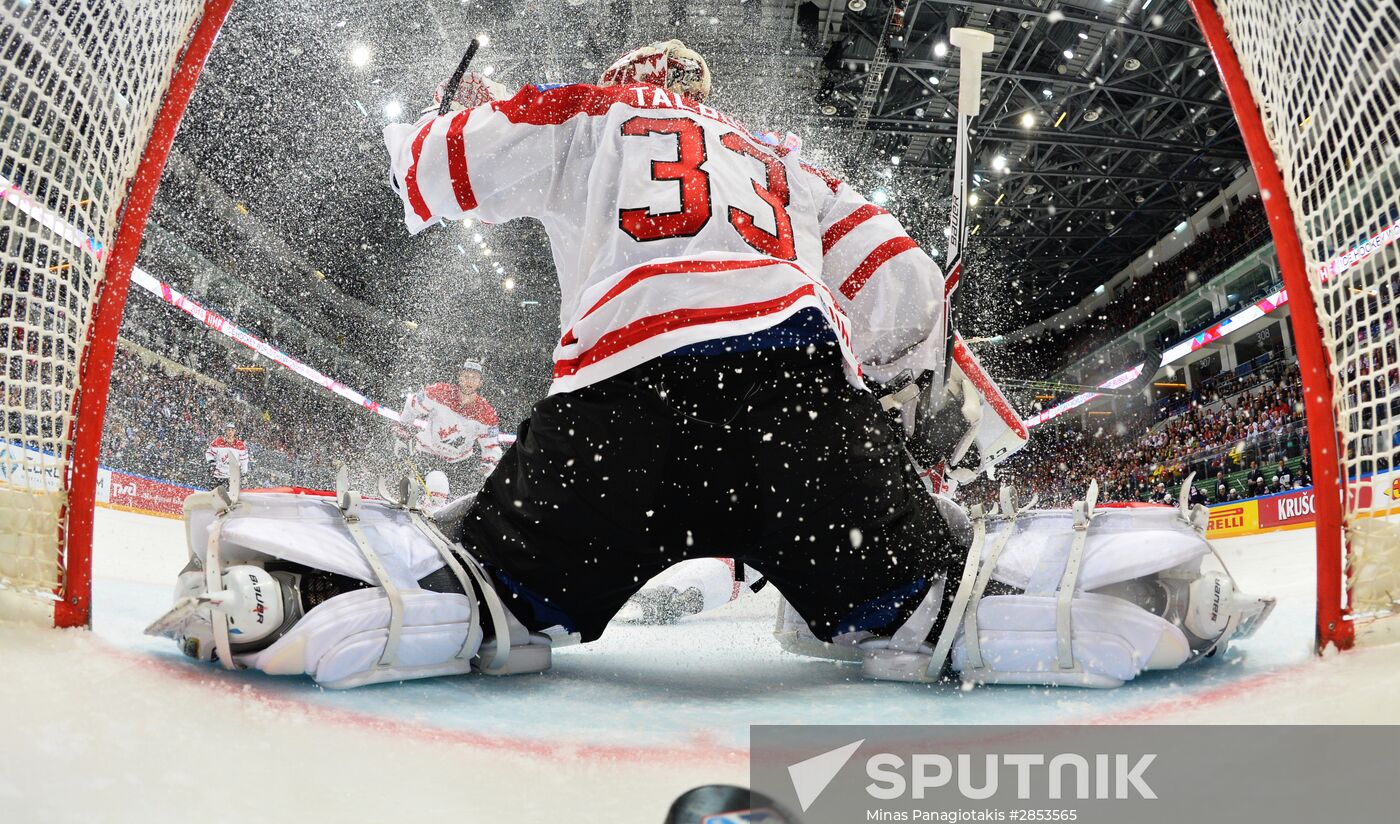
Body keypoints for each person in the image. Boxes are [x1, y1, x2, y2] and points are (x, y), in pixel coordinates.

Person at [147, 40, 1272, 690]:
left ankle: (291, 592)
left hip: (612, 423)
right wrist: (898, 400)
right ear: (698, 94)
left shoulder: (583, 112)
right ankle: (1152, 590)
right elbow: (906, 295)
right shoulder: (777, 160)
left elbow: (426, 172)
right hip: (792, 418)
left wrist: (442, 121)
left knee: (484, 589)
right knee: (940, 598)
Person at [394, 359, 502, 494]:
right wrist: (402, 432)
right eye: (466, 376)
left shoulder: (487, 413)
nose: (469, 381)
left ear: (480, 383)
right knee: (437, 485)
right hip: (427, 453)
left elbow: (491, 446)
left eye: (474, 378)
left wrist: (489, 463)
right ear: (459, 377)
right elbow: (412, 404)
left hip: (459, 463)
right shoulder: (439, 393)